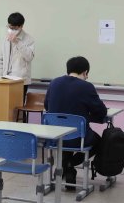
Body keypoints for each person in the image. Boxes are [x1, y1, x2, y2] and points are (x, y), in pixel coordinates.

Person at [44, 56, 107, 189]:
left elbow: (46, 106)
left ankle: (65, 169)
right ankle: (70, 165)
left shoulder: (54, 83)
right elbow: (101, 111)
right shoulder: (86, 87)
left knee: (66, 138)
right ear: (85, 72)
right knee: (99, 141)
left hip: (55, 137)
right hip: (78, 138)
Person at [0, 12, 35, 89]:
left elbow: (29, 57)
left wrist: (17, 42)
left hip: (20, 81)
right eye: (10, 27)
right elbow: (0, 59)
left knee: (18, 101)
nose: (11, 30)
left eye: (14, 28)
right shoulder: (5, 39)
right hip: (4, 79)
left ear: (21, 26)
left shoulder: (29, 39)